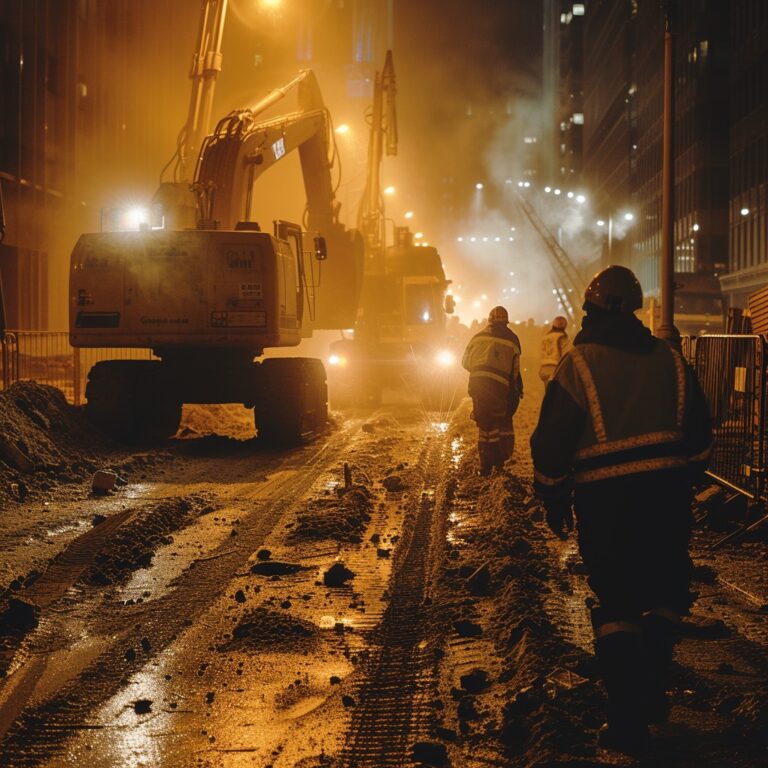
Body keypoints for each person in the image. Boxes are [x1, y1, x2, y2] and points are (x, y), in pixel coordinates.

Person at [530, 266, 712, 753]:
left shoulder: (579, 363)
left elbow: (551, 443)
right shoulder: (671, 361)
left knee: (617, 601)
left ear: (589, 311)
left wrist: (553, 498)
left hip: (606, 502)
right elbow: (699, 437)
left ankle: (629, 718)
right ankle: (654, 666)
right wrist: (685, 479)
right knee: (668, 588)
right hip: (667, 497)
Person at [462, 305, 523, 475]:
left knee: (483, 423)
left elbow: (465, 362)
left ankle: (484, 465)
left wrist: (479, 371)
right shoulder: (512, 338)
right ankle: (497, 462)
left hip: (477, 383)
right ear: (506, 321)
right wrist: (514, 388)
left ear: (489, 320)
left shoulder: (477, 337)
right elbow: (515, 369)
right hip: (498, 385)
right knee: (495, 424)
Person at [539, 315, 570, 384]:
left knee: (548, 393)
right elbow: (567, 355)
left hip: (543, 369)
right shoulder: (562, 337)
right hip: (556, 369)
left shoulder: (545, 336)